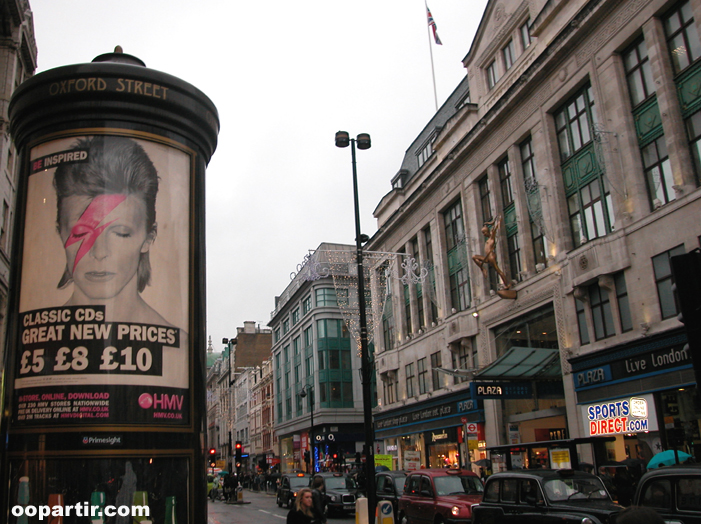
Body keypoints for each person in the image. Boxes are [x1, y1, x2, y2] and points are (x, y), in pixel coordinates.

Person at [52, 135, 172, 326]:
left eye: (121, 233)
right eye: (81, 233)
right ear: (61, 233)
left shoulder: (176, 351)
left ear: (148, 237)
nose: (99, 253)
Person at [471, 215, 511, 290]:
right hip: (487, 258)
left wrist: (498, 221)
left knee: (498, 270)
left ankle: (506, 284)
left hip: (491, 256)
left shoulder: (491, 238)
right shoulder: (488, 239)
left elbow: (495, 229)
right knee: (474, 257)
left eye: (484, 232)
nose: (484, 234)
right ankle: (483, 269)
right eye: (482, 233)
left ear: (487, 231)